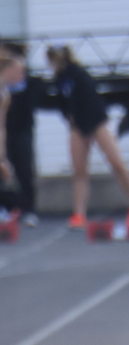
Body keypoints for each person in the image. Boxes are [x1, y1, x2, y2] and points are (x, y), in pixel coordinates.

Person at [46, 44, 129, 231]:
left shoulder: (79, 73)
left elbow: (91, 101)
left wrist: (91, 130)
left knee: (116, 163)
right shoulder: (59, 79)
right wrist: (71, 121)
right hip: (77, 126)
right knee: (79, 171)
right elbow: (63, 103)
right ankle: (79, 213)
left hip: (96, 121)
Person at [0, 41, 39, 225]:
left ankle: (28, 209)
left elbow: (32, 99)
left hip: (22, 130)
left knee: (25, 171)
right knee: (1, 171)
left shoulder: (27, 81)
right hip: (3, 131)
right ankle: (6, 208)